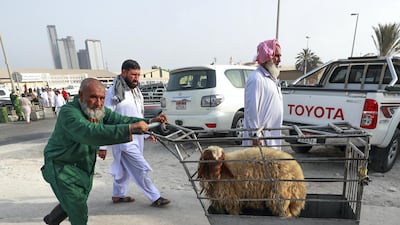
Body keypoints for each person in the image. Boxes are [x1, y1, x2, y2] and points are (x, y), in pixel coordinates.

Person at [41, 78, 167, 225]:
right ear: (81, 95)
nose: (99, 103)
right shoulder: (69, 113)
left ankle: (51, 220)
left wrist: (149, 122)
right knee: (78, 209)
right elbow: (90, 132)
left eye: (102, 98)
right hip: (61, 167)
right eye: (93, 97)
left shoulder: (99, 111)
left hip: (83, 165)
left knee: (75, 199)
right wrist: (130, 129)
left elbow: (120, 119)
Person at [98, 59, 171, 207]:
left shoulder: (136, 92)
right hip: (122, 139)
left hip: (137, 137)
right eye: (133, 74)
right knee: (139, 168)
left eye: (138, 75)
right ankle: (155, 196)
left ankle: (118, 194)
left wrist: (148, 131)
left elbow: (138, 115)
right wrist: (102, 146)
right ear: (123, 72)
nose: (136, 78)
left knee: (124, 168)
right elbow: (105, 118)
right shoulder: (113, 93)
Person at [242, 39, 283, 148]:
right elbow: (251, 110)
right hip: (260, 142)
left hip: (271, 139)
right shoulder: (256, 79)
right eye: (277, 56)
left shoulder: (271, 79)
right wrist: (255, 136)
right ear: (267, 56)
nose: (279, 60)